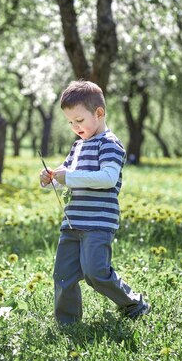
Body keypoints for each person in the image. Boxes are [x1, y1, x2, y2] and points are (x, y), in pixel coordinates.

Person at [39, 80, 150, 324]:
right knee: (63, 274)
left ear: (98, 113)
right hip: (72, 222)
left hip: (98, 222)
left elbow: (108, 178)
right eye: (70, 122)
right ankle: (68, 323)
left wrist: (67, 177)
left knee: (95, 272)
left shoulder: (109, 143)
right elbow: (67, 175)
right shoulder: (78, 146)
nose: (74, 127)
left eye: (79, 120)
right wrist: (52, 179)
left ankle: (134, 303)